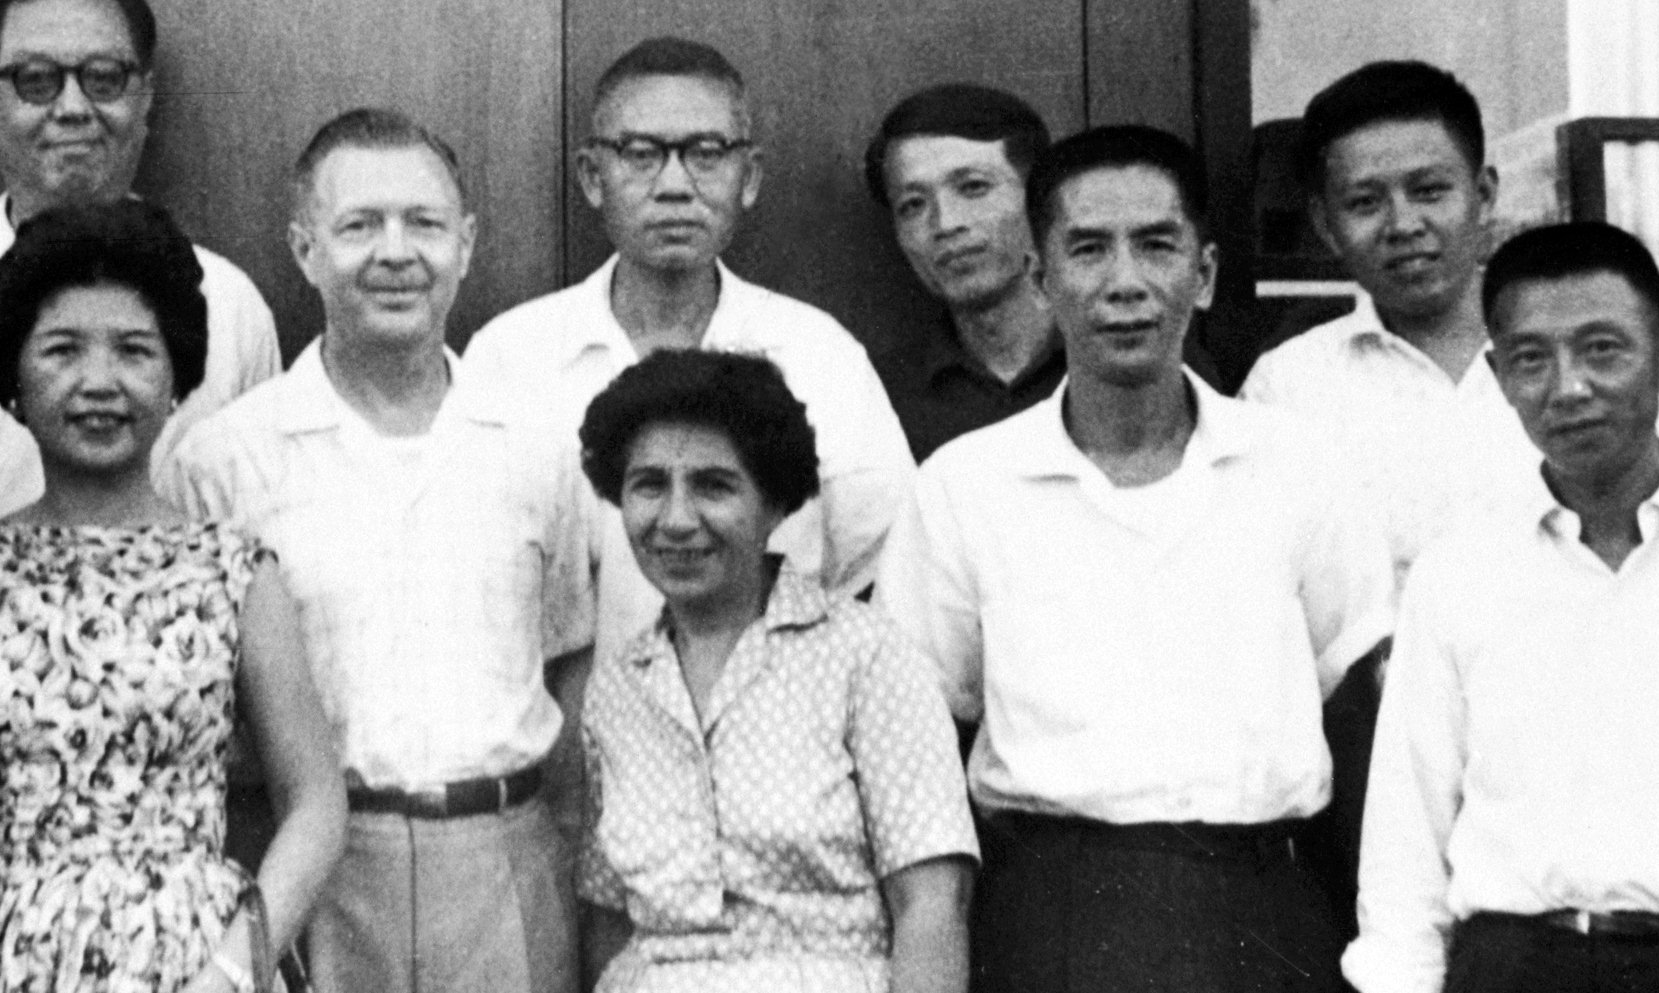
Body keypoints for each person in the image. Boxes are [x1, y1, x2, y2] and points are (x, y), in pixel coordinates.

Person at [878, 125, 1395, 993]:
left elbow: (1355, 697)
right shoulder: (965, 486)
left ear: (1206, 272)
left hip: (1263, 907)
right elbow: (925, 737)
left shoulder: (1299, 465)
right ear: (1042, 280)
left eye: (1157, 245)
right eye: (1088, 249)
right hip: (1053, 908)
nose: (1125, 283)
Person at [166, 109, 595, 993]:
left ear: (467, 244)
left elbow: (569, 655)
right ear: (304, 248)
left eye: (424, 224)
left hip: (504, 861)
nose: (395, 252)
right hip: (311, 866)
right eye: (359, 225)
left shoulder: (537, 443)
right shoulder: (223, 462)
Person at [0, 201, 344, 993]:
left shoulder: (234, 570)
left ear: (177, 373)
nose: (98, 382)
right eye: (61, 350)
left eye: (133, 350)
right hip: (0, 963)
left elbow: (316, 804)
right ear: (13, 372)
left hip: (196, 963)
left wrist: (232, 968)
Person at [1344, 222, 1659, 993]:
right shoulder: (1461, 575)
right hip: (1517, 967)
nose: (1568, 386)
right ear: (1500, 374)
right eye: (1532, 358)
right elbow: (1408, 839)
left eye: (1603, 348)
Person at [464, 37, 912, 654]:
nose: (674, 185)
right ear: (594, 177)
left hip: (781, 731)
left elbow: (880, 565)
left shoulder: (817, 356)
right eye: (641, 153)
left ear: (748, 177)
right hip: (563, 734)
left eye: (706, 153)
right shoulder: (511, 357)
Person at [0, 0, 281, 578]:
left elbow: (255, 529)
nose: (74, 107)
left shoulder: (228, 303)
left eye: (103, 78)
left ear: (144, 99)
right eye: (36, 80)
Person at [575, 349, 976, 993]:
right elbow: (609, 920)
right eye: (649, 484)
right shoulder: (619, 687)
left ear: (774, 503)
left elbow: (932, 906)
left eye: (714, 485)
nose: (677, 519)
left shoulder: (866, 659)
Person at [1243, 61, 1659, 579]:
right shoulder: (1286, 389)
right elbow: (1265, 582)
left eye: (1429, 191)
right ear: (1327, 225)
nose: (1404, 225)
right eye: (1365, 202)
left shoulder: (1592, 372)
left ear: (1483, 195)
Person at [863, 84, 1062, 460]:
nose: (946, 223)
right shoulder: (875, 396)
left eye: (973, 187)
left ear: (1039, 198)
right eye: (913, 205)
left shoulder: (1122, 358)